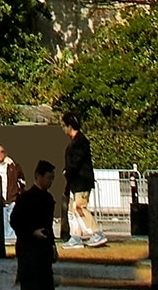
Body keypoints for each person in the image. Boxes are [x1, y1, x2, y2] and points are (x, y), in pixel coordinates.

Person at [13, 162, 60, 290]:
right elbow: (15, 221)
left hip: (44, 250)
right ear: (39, 176)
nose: (51, 182)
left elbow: (48, 225)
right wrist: (32, 232)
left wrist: (52, 245)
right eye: (49, 178)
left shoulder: (49, 198)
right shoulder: (25, 198)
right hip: (28, 250)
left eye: (52, 178)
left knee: (46, 283)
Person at [63, 117, 104, 248]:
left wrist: (67, 171)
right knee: (72, 210)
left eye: (64, 126)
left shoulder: (80, 142)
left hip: (81, 181)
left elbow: (75, 162)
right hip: (75, 182)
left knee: (79, 207)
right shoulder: (76, 141)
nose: (63, 129)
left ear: (69, 126)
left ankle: (96, 233)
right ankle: (76, 237)